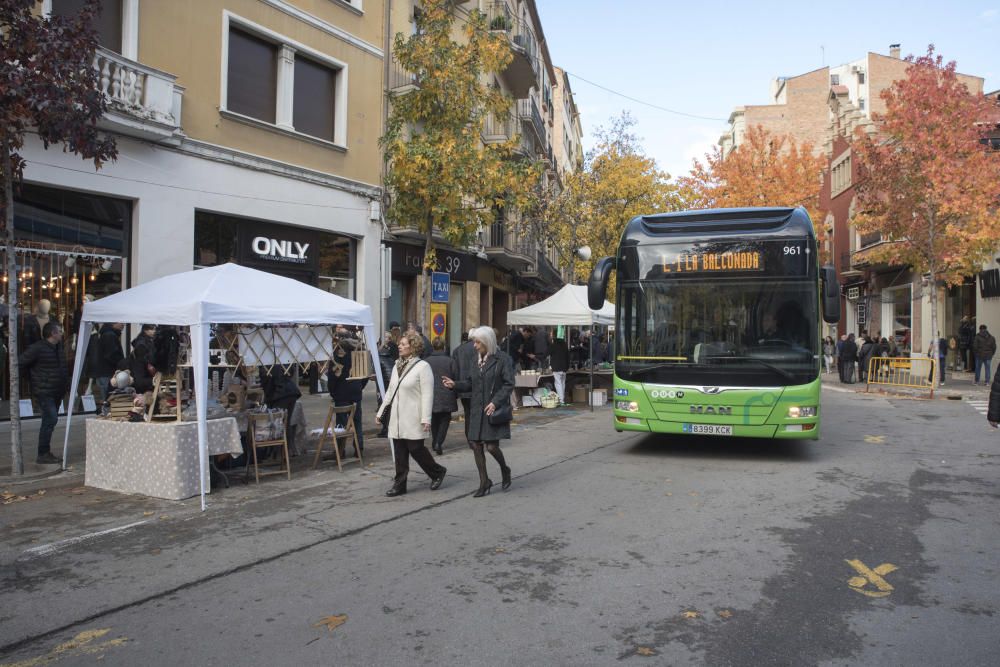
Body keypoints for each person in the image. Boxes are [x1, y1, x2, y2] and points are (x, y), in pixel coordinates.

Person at [442, 326, 515, 498]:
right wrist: (455, 384)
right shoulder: (475, 359)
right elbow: (470, 382)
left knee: (491, 446)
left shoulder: (502, 359)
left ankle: (505, 469)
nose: (474, 346)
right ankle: (484, 481)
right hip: (476, 408)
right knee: (475, 444)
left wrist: (496, 402)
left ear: (487, 342)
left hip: (492, 408)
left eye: (477, 342)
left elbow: (508, 383)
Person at [376, 332, 446, 496]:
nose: (399, 346)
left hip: (414, 416)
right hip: (397, 417)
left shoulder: (423, 367)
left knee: (415, 448)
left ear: (413, 347)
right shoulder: (396, 365)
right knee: (399, 451)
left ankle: (437, 472)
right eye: (399, 343)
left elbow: (428, 394)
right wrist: (380, 413)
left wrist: (426, 418)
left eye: (403, 344)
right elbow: (390, 391)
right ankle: (400, 485)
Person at [19, 322, 67, 465]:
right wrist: (33, 379)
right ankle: (43, 453)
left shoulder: (58, 347)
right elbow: (20, 363)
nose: (62, 333)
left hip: (56, 390)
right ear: (53, 333)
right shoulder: (37, 348)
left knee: (50, 420)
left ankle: (45, 452)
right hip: (44, 390)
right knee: (50, 419)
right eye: (60, 331)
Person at [327, 339, 367, 454]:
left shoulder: (337, 356)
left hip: (341, 394)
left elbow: (332, 377)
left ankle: (340, 450)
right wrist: (359, 387)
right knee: (357, 422)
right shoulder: (359, 355)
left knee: (341, 424)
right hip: (355, 393)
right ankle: (359, 448)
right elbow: (365, 375)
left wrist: (333, 392)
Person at [426, 338, 458, 455]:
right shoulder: (450, 361)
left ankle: (435, 441)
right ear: (443, 347)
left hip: (432, 394)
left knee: (434, 420)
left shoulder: (426, 361)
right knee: (445, 419)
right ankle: (439, 442)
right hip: (447, 393)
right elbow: (455, 376)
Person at [262, 364, 302, 455]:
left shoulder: (265, 361)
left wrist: (267, 400)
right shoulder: (281, 357)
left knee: (280, 424)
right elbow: (291, 371)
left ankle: (281, 452)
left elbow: (267, 382)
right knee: (285, 423)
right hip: (290, 391)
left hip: (280, 394)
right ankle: (285, 452)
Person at [452, 329, 477, 430]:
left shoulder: (457, 350)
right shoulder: (480, 348)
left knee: (468, 413)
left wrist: (456, 387)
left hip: (463, 387)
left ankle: (470, 437)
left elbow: (455, 370)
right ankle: (477, 437)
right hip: (477, 387)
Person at [93, 322, 125, 400]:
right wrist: (122, 364)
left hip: (105, 372)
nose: (123, 324)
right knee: (109, 399)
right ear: (113, 323)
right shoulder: (110, 335)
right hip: (107, 373)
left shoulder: (108, 334)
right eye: (121, 321)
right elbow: (111, 355)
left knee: (107, 398)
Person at [129, 324, 158, 393]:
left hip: (142, 369)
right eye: (152, 329)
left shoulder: (145, 340)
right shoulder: (142, 342)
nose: (154, 331)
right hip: (142, 369)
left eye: (155, 329)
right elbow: (144, 357)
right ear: (145, 330)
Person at [549, 334, 570, 404]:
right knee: (562, 383)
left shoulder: (553, 345)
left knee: (558, 383)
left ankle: (561, 400)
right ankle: (562, 399)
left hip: (556, 368)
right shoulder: (564, 345)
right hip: (564, 368)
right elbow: (568, 356)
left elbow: (546, 353)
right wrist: (567, 366)